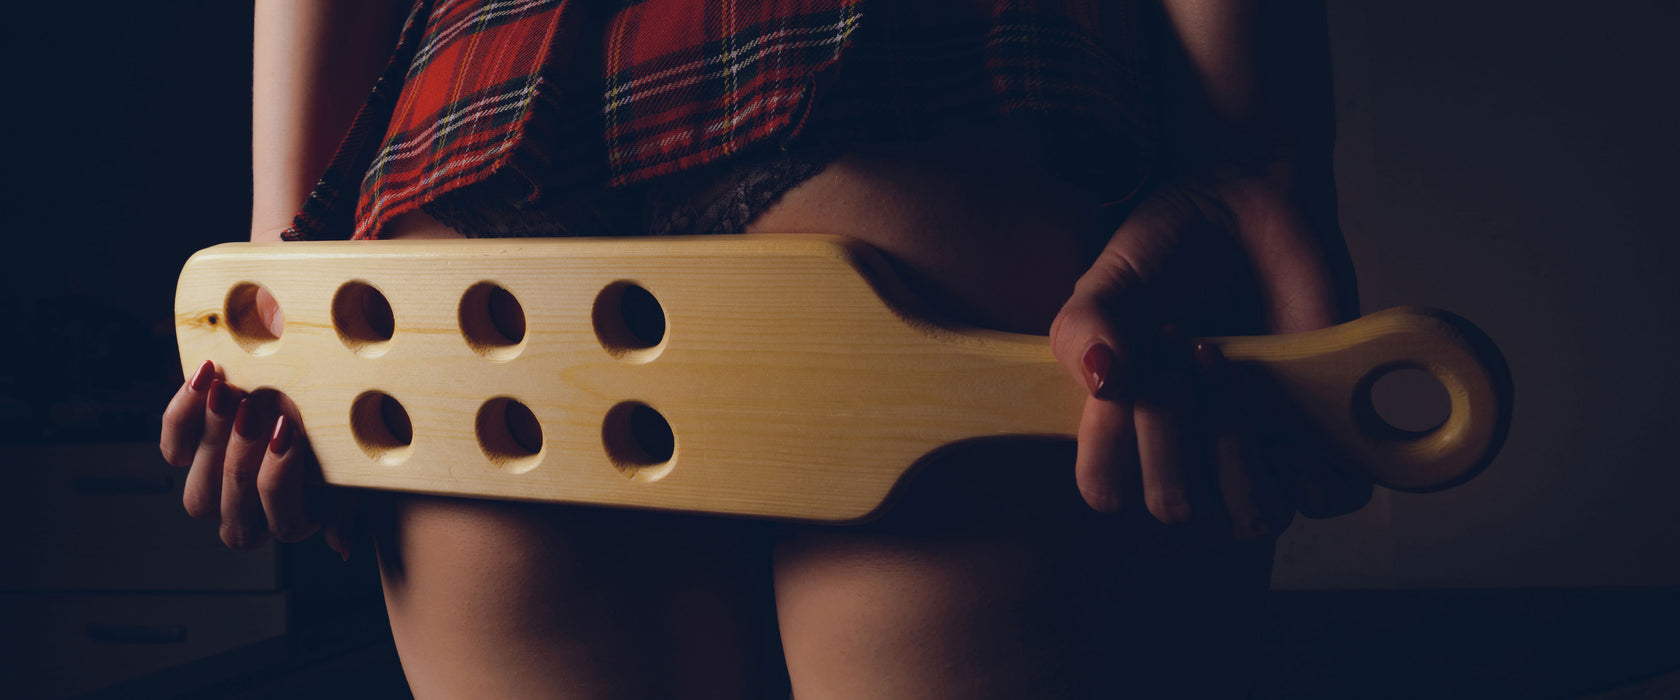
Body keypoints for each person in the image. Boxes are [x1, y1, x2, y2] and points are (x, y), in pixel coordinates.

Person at [161, 1, 1372, 696]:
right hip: (920, 96)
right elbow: (1245, 159)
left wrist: (288, 267)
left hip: (476, 169)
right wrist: (1248, 161)